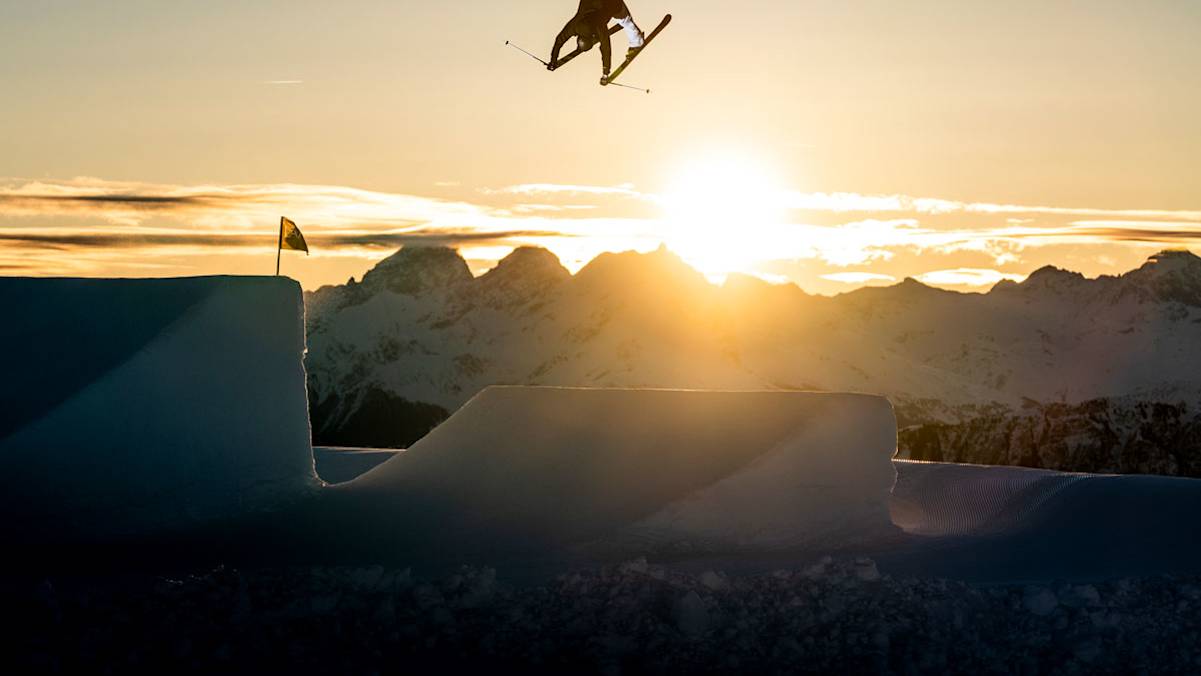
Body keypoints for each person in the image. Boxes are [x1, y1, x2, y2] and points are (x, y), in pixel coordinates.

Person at [549, 0, 645, 83]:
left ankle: (637, 43)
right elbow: (559, 40)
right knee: (610, 22)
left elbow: (606, 49)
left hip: (613, 4)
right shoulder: (574, 25)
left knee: (626, 22)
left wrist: (605, 73)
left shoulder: (595, 26)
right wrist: (553, 60)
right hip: (595, 5)